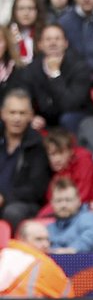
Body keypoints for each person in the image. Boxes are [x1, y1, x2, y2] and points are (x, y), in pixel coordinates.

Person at [23, 23, 93, 131]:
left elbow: (70, 105)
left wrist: (55, 74)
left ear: (66, 43)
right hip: (45, 119)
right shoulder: (31, 69)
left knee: (67, 118)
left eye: (57, 39)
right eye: (48, 39)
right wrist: (30, 117)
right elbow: (24, 96)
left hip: (74, 117)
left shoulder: (79, 67)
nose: (53, 43)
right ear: (40, 45)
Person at [0, 88, 50, 229]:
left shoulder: (38, 144)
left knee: (12, 212)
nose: (17, 118)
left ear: (30, 116)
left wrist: (4, 197)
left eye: (22, 113)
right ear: (3, 114)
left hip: (23, 203)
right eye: (12, 113)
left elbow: (36, 189)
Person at [0, 220, 71, 298]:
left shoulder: (45, 262)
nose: (45, 244)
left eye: (47, 239)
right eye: (38, 239)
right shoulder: (10, 257)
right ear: (22, 240)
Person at [44, 178, 93, 254]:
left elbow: (90, 237)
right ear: (52, 203)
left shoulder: (90, 218)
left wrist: (70, 250)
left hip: (90, 264)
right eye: (58, 200)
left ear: (78, 201)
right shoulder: (49, 229)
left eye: (68, 200)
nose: (63, 205)